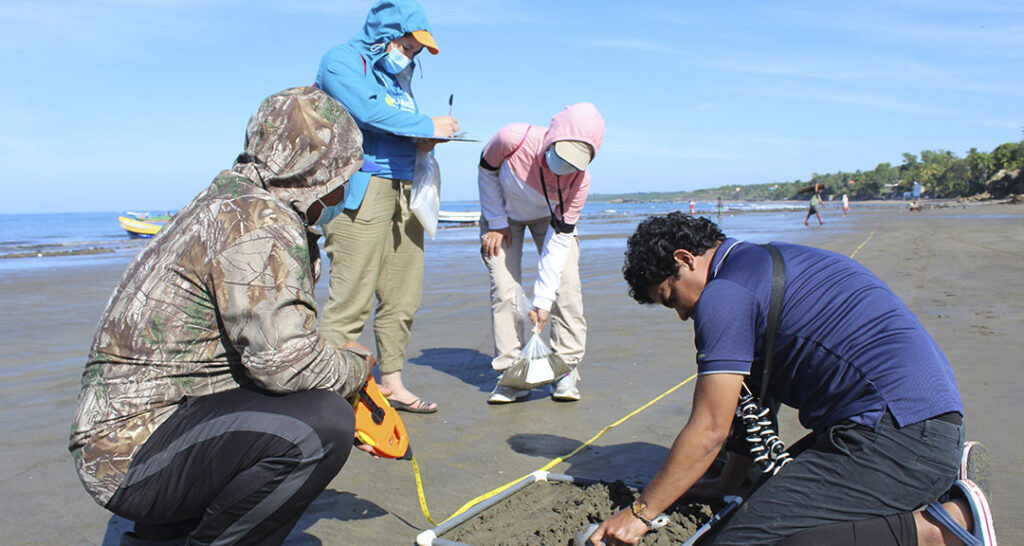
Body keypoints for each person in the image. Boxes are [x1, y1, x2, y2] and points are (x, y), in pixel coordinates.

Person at [69, 87, 384, 545]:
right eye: (348, 173)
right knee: (322, 425)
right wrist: (357, 368)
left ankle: (169, 532)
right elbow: (288, 366)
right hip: (131, 456)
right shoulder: (259, 223)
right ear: (318, 171)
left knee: (301, 410)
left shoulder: (230, 201)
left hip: (131, 436)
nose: (348, 188)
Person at [589, 212, 996, 545]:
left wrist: (641, 514)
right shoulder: (765, 263)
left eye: (671, 298)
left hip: (895, 433)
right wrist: (728, 482)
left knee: (746, 541)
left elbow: (710, 428)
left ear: (685, 259)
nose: (680, 314)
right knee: (764, 501)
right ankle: (933, 475)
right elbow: (753, 403)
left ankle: (941, 528)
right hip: (922, 416)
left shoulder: (725, 294)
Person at [315, 0, 458, 413]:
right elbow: (369, 113)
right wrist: (427, 125)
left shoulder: (400, 75)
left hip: (405, 186)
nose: (410, 56)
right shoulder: (341, 61)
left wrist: (426, 139)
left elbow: (398, 123)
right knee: (352, 295)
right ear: (386, 35)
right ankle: (325, 395)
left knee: (403, 295)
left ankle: (392, 382)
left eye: (415, 52)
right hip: (361, 187)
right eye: (408, 47)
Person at [477, 103, 605, 403]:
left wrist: (543, 300)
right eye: (561, 155)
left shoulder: (580, 181)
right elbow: (486, 171)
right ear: (552, 137)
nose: (564, 167)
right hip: (503, 215)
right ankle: (511, 372)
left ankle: (566, 369)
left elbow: (559, 242)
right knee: (505, 288)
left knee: (567, 286)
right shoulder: (512, 138)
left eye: (574, 162)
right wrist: (495, 221)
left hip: (549, 219)